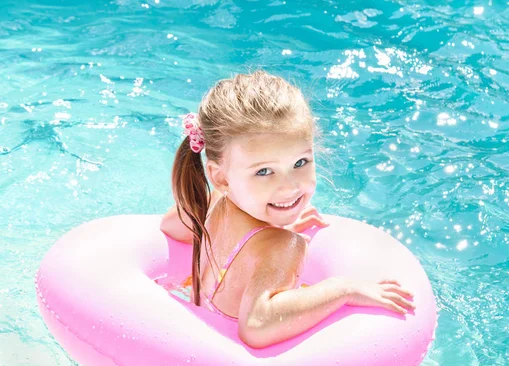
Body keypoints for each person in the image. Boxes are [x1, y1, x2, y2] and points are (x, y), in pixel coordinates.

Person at [160, 70, 415, 349]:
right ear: (221, 176)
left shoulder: (212, 202)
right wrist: (343, 289)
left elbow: (170, 226)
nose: (289, 187)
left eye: (300, 163)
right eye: (264, 171)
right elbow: (257, 326)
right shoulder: (281, 246)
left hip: (201, 340)